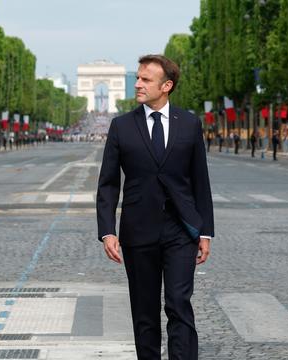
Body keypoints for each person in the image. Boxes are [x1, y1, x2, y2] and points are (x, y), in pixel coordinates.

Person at [97, 55, 213, 360]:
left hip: (181, 229)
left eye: (145, 79)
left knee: (179, 303)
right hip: (138, 231)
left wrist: (206, 232)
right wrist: (107, 230)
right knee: (144, 312)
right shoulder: (121, 125)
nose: (137, 84)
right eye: (137, 77)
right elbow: (108, 183)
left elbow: (200, 181)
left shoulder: (189, 123)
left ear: (167, 86)